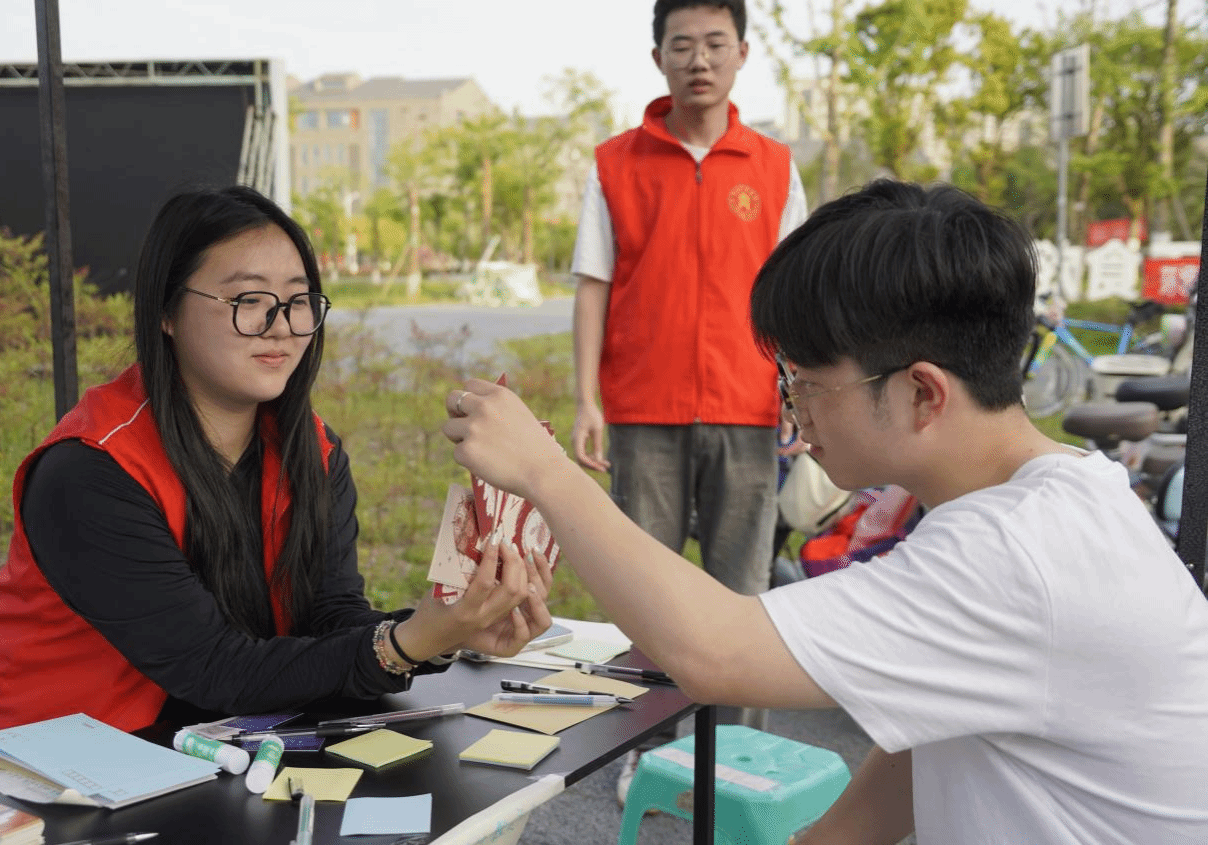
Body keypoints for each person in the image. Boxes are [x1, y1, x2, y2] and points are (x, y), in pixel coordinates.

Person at [444, 179, 1208, 844]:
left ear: (921, 392)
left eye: (807, 383)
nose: (793, 410)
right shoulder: (1066, 488)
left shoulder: (1013, 552)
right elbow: (942, 718)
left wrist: (544, 471)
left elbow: (714, 651)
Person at [0, 185, 551, 785]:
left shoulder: (312, 450)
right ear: (166, 312)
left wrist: (446, 630)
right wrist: (409, 641)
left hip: (195, 751)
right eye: (248, 299)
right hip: (33, 779)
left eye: (299, 300)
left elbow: (329, 616)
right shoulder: (90, 471)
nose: (281, 326)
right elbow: (210, 666)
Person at [570, 0, 807, 791]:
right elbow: (593, 284)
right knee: (647, 596)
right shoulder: (615, 163)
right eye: (682, 45)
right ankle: (649, 750)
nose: (699, 59)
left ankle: (736, 760)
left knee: (745, 598)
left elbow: (796, 294)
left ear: (741, 52)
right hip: (644, 410)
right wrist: (587, 399)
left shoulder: (774, 166)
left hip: (748, 409)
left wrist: (797, 391)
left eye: (714, 43)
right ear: (658, 58)